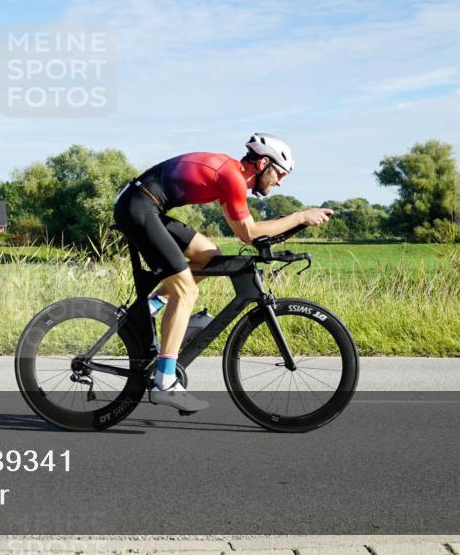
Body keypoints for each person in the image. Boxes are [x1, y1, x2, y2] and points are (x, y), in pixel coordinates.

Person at [112, 133, 334, 413]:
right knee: (186, 290)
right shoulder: (230, 176)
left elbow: (248, 232)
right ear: (264, 163)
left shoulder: (231, 177)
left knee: (209, 256)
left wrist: (293, 223)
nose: (280, 182)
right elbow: (248, 233)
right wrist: (300, 216)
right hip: (139, 208)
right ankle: (165, 381)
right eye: (279, 173)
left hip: (144, 205)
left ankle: (151, 307)